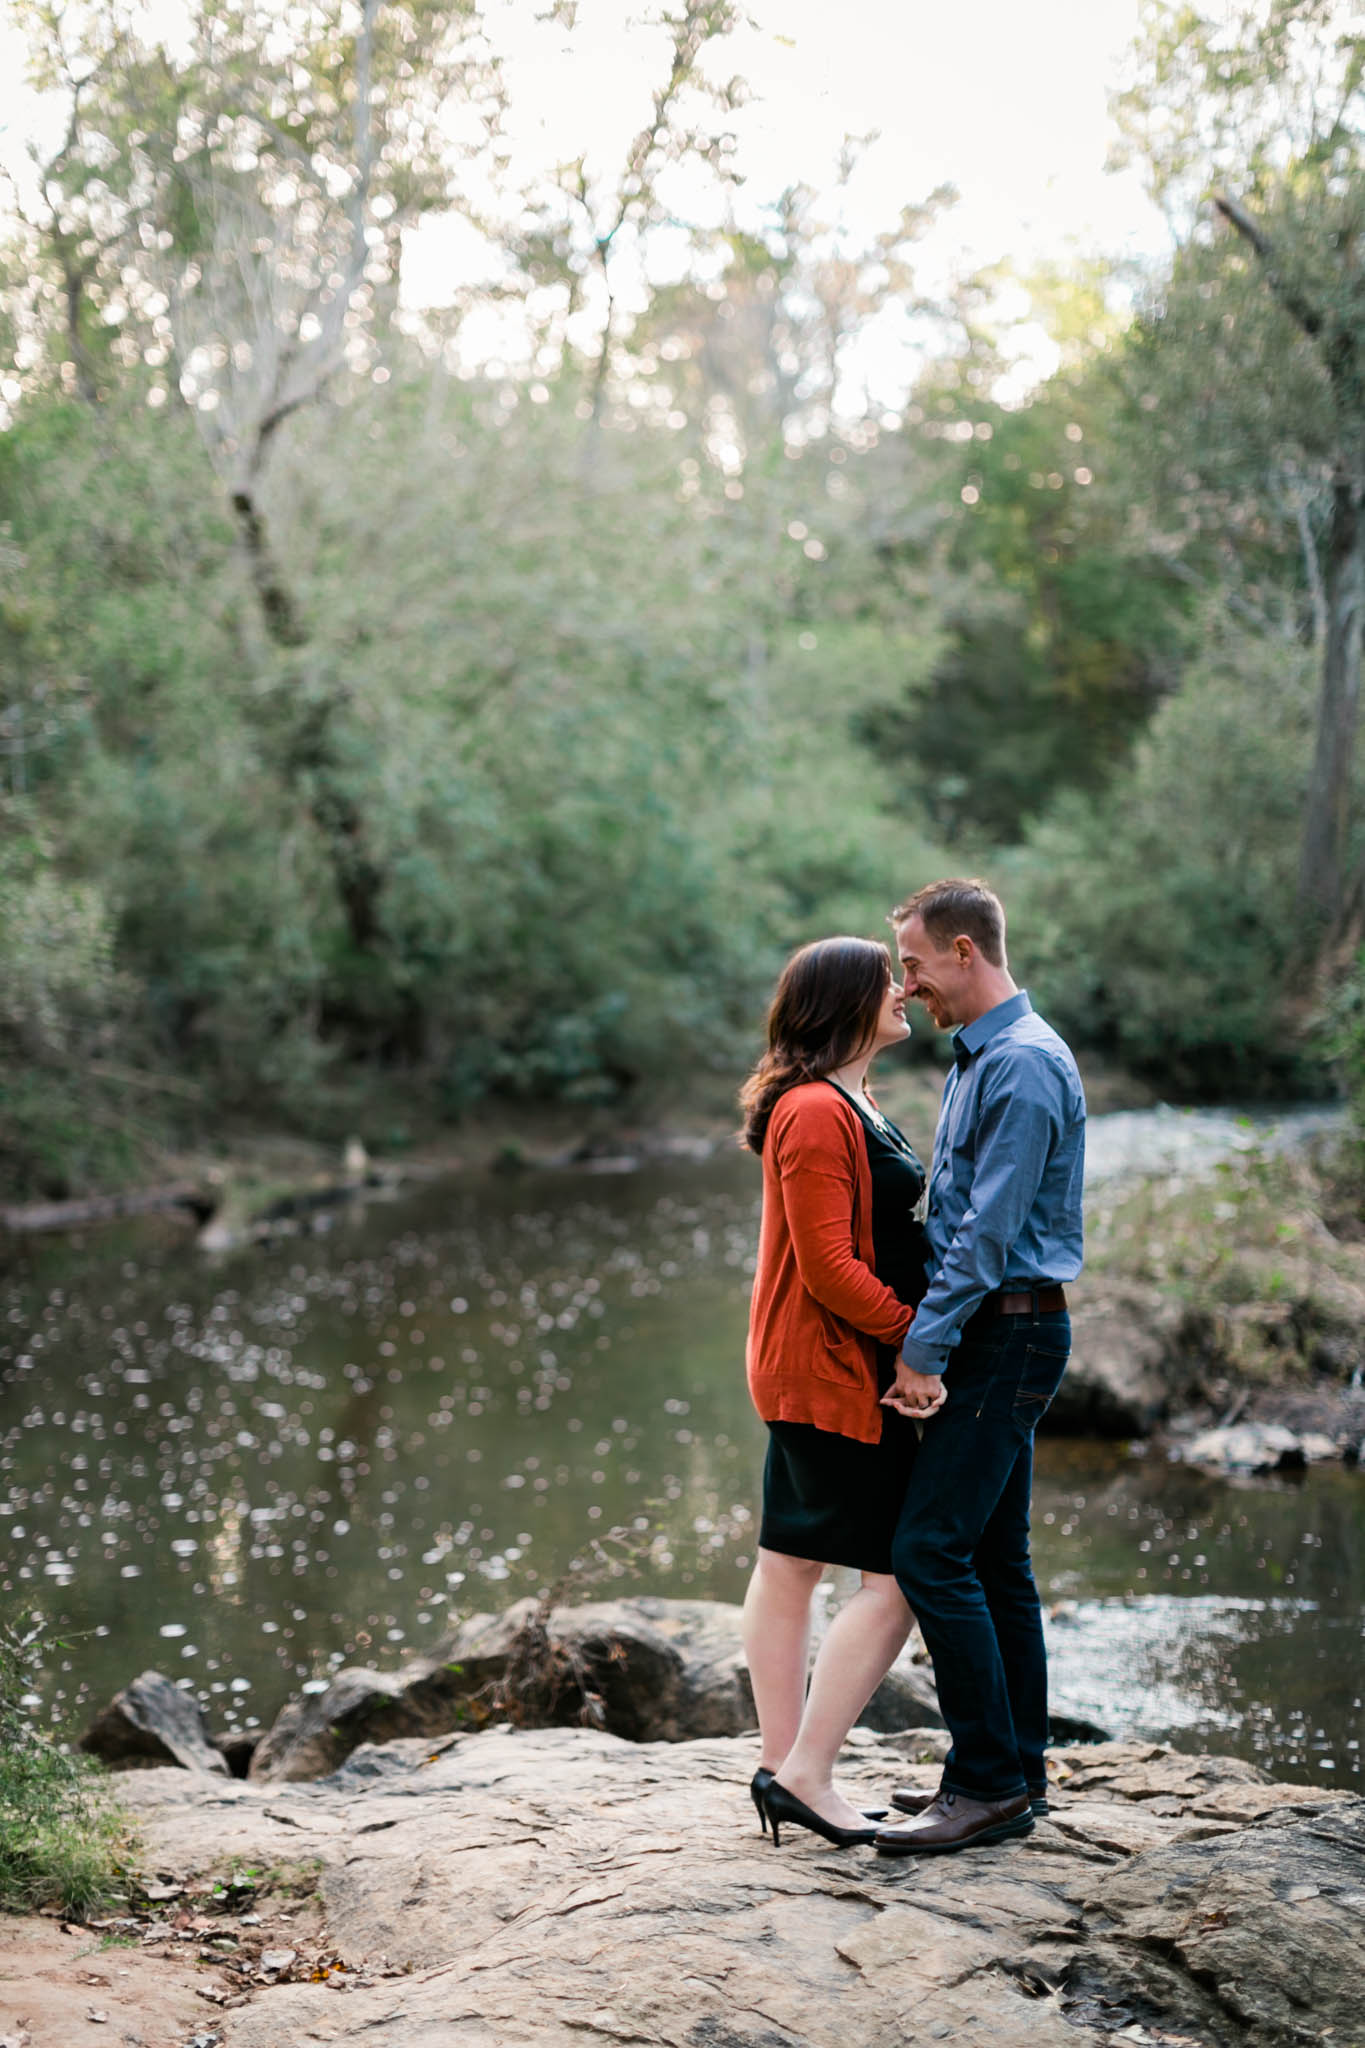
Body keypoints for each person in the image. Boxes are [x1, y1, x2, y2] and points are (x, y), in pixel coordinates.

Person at [871, 877, 1086, 1858]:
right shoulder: (978, 1054)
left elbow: (991, 1231)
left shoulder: (1026, 1063)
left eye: (913, 962)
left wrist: (924, 1345)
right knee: (997, 1559)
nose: (907, 985)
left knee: (930, 1549)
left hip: (1007, 1332)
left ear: (965, 950)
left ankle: (989, 1781)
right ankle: (1013, 1767)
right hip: (1001, 1330)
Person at [738, 935, 937, 1849]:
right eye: (885, 980)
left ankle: (786, 1770)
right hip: (830, 1365)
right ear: (846, 1004)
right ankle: (807, 1772)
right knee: (893, 1578)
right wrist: (919, 1342)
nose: (903, 990)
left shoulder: (850, 1099)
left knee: (790, 1563)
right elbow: (827, 1268)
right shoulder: (816, 1110)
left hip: (817, 1363)